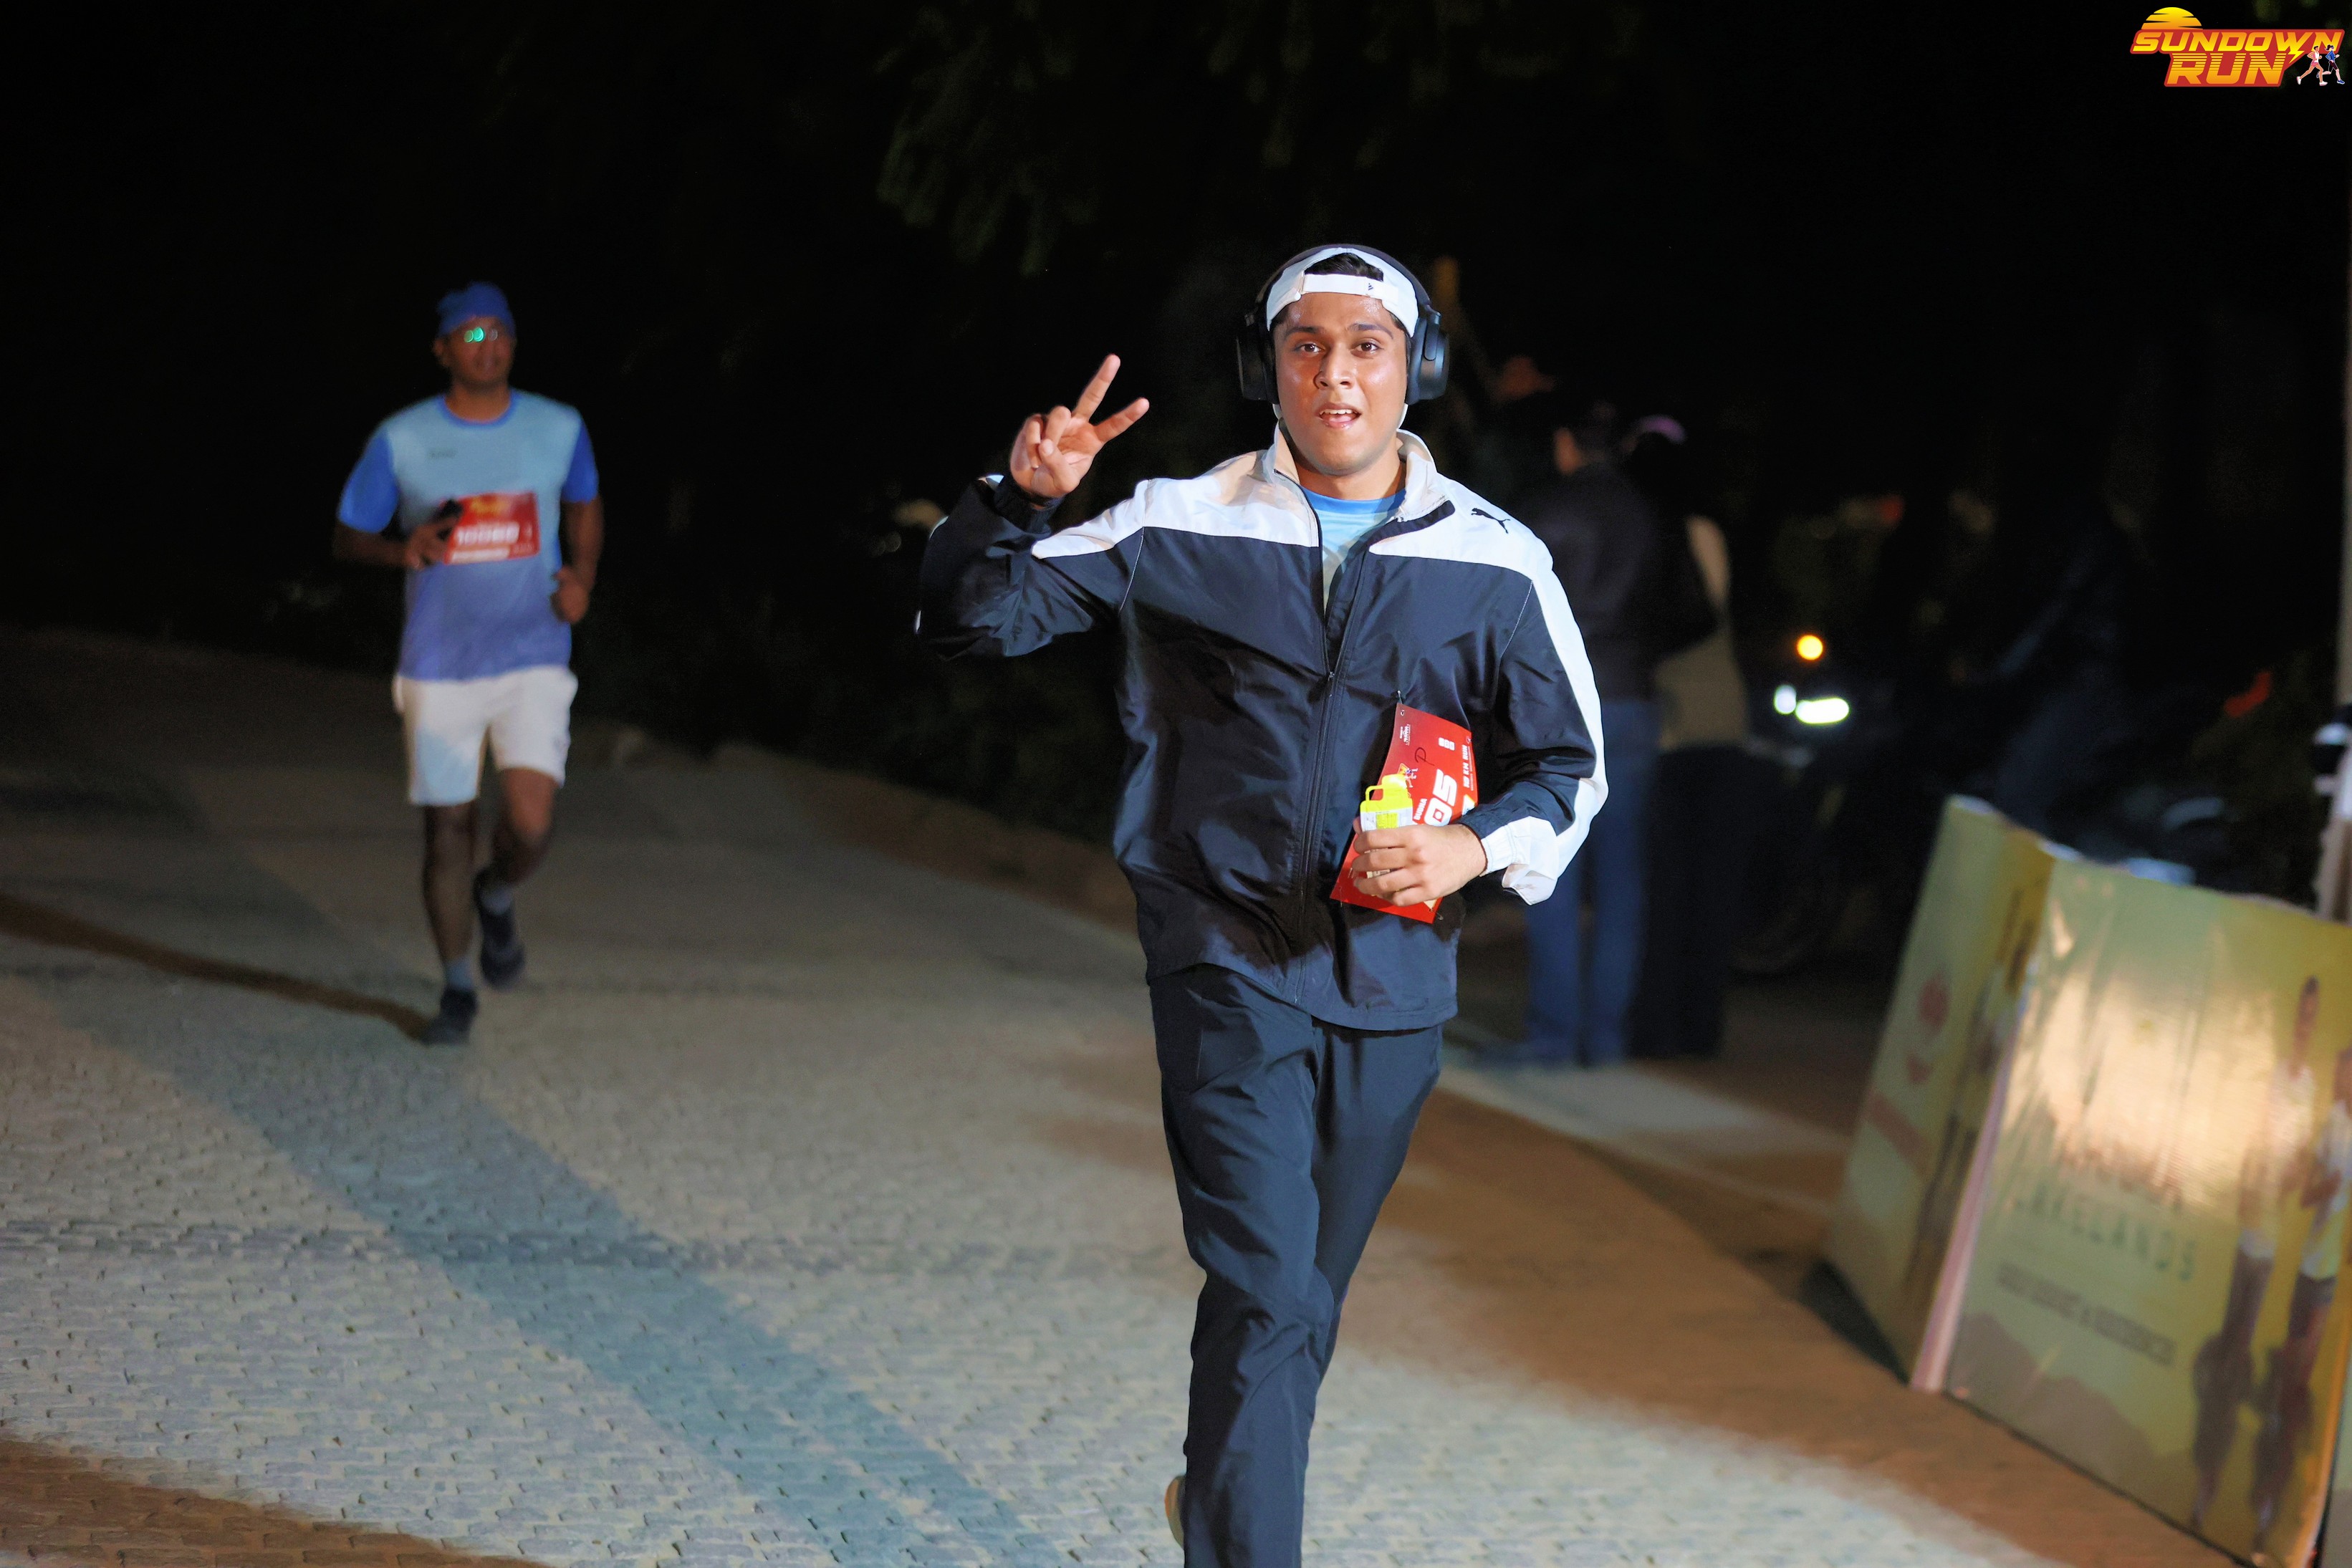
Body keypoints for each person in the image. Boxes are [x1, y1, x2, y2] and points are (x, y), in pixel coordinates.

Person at [918, 246, 1603, 1568]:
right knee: (1268, 1280)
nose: (1335, 373)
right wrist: (1014, 499)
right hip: (1221, 952)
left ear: (1416, 370)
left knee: (1297, 1299)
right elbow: (974, 621)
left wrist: (1466, 847)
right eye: (1305, 345)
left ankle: (1218, 1495)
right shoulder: (1176, 521)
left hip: (1394, 979)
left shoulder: (1496, 560)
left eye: (1366, 346)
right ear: (1266, 368)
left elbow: (1568, 771)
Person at [331, 282, 603, 1046]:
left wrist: (581, 576)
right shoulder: (403, 437)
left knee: (531, 823)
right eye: (472, 334)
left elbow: (584, 500)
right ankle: (456, 987)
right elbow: (348, 533)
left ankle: (497, 892)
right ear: (442, 350)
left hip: (533, 654)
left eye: (500, 333)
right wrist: (400, 550)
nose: (489, 346)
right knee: (448, 828)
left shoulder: (558, 426)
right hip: (439, 662)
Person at [1513, 398, 1713, 1066]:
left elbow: (1507, 606)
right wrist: (1642, 648)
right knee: (1623, 875)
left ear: (1565, 444)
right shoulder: (1653, 515)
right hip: (1631, 699)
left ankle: (1552, 1034)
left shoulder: (1547, 510)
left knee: (1550, 863)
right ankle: (1606, 1036)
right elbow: (1697, 613)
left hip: (1560, 703)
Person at [1621, 417, 1752, 1059]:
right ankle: (1701, 1026)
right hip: (1722, 718)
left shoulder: (1634, 531)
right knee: (1711, 885)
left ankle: (1652, 1025)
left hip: (1663, 723)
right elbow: (1716, 611)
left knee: (1660, 887)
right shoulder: (1704, 530)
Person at [2189, 976, 2320, 1531]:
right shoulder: (2272, 1075)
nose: (2303, 1024)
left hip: (2269, 1245)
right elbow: (2249, 1142)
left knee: (2242, 1355)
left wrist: (2293, 1174)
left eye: (2311, 1016)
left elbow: (2298, 1168)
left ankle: (2234, 1490)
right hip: (2246, 1231)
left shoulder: (2309, 1087)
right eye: (2300, 1014)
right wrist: (2248, 1183)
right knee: (2225, 1356)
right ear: (2292, 1018)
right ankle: (2206, 1478)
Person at [2250, 1040, 2352, 1548]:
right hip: (2305, 1271)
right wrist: (2321, 1190)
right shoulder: (2328, 1124)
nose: (2337, 1079)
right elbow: (2304, 1195)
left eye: (2343, 1072)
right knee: (2287, 1387)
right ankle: (2266, 1498)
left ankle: (2279, 1506)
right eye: (2336, 1071)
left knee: (2297, 1389)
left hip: (2328, 1278)